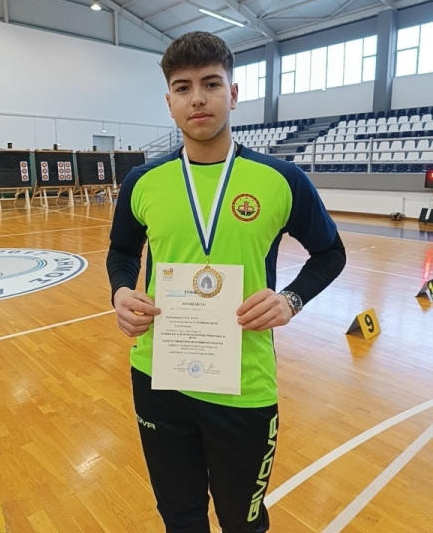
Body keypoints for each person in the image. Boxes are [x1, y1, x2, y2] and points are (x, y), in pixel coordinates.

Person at [106, 31, 346, 533]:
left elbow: (330, 253)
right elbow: (123, 251)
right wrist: (121, 291)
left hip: (244, 383)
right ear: (169, 102)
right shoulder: (141, 182)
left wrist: (291, 299)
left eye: (211, 84)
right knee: (180, 519)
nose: (197, 98)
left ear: (232, 94)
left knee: (243, 523)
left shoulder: (281, 179)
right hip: (159, 376)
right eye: (183, 87)